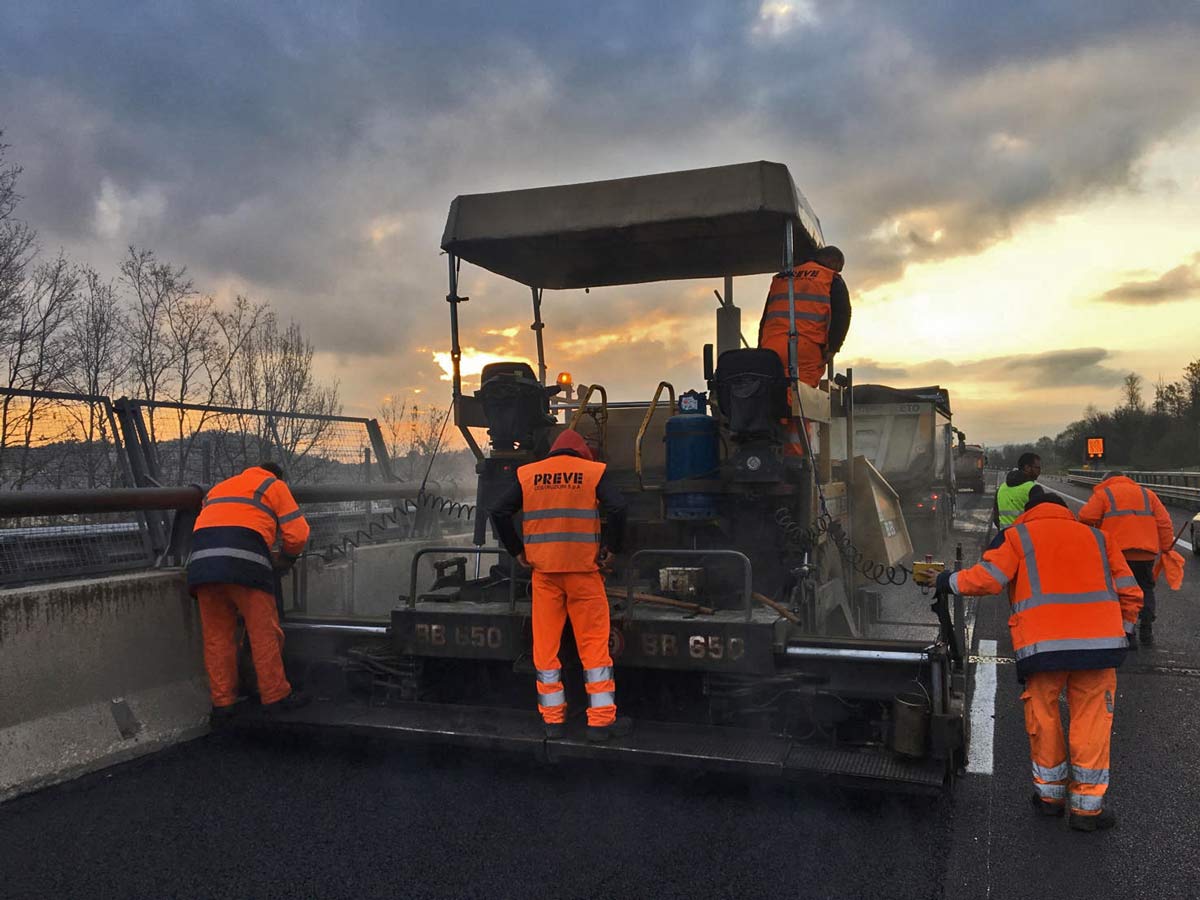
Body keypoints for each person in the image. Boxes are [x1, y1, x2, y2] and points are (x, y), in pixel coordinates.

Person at [918, 494, 1142, 831]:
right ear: (1065, 512)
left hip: (1043, 648)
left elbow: (988, 579)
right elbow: (1131, 593)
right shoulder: (1099, 538)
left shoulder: (1017, 536)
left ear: (1029, 513)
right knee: (1092, 722)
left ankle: (1049, 799)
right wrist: (1121, 634)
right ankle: (1087, 809)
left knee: (1044, 717)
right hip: (1099, 649)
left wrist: (945, 580)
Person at [490, 429, 630, 742]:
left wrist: (516, 550)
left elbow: (497, 511)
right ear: (583, 453)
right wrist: (613, 547)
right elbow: (619, 508)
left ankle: (553, 721)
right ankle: (600, 722)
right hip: (584, 575)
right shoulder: (593, 472)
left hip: (545, 576)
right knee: (594, 648)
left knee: (546, 649)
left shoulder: (529, 474)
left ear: (553, 451)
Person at [187, 461, 311, 723]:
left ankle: (223, 704)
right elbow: (298, 533)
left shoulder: (220, 487)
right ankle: (275, 697)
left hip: (203, 565)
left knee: (217, 637)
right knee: (263, 633)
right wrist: (286, 559)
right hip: (246, 564)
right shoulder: (273, 485)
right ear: (278, 476)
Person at [1079, 471, 1175, 647]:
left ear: (1106, 481)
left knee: (1121, 592)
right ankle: (1146, 628)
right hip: (1145, 553)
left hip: (1117, 554)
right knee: (1145, 589)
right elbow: (1164, 522)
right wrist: (1167, 547)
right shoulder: (1147, 494)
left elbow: (1085, 517)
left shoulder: (1104, 494)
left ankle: (1127, 634)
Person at [757, 245, 851, 390]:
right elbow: (842, 315)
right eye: (839, 267)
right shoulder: (831, 278)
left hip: (771, 347)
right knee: (799, 396)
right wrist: (833, 348)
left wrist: (761, 348)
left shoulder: (782, 277)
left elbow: (765, 318)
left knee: (772, 391)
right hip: (806, 347)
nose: (838, 271)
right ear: (833, 261)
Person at [994, 452, 1046, 528]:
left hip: (1005, 534)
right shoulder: (1034, 489)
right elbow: (1041, 518)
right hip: (1026, 535)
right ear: (1027, 468)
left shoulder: (1001, 488)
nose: (1039, 471)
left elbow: (996, 518)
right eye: (1037, 467)